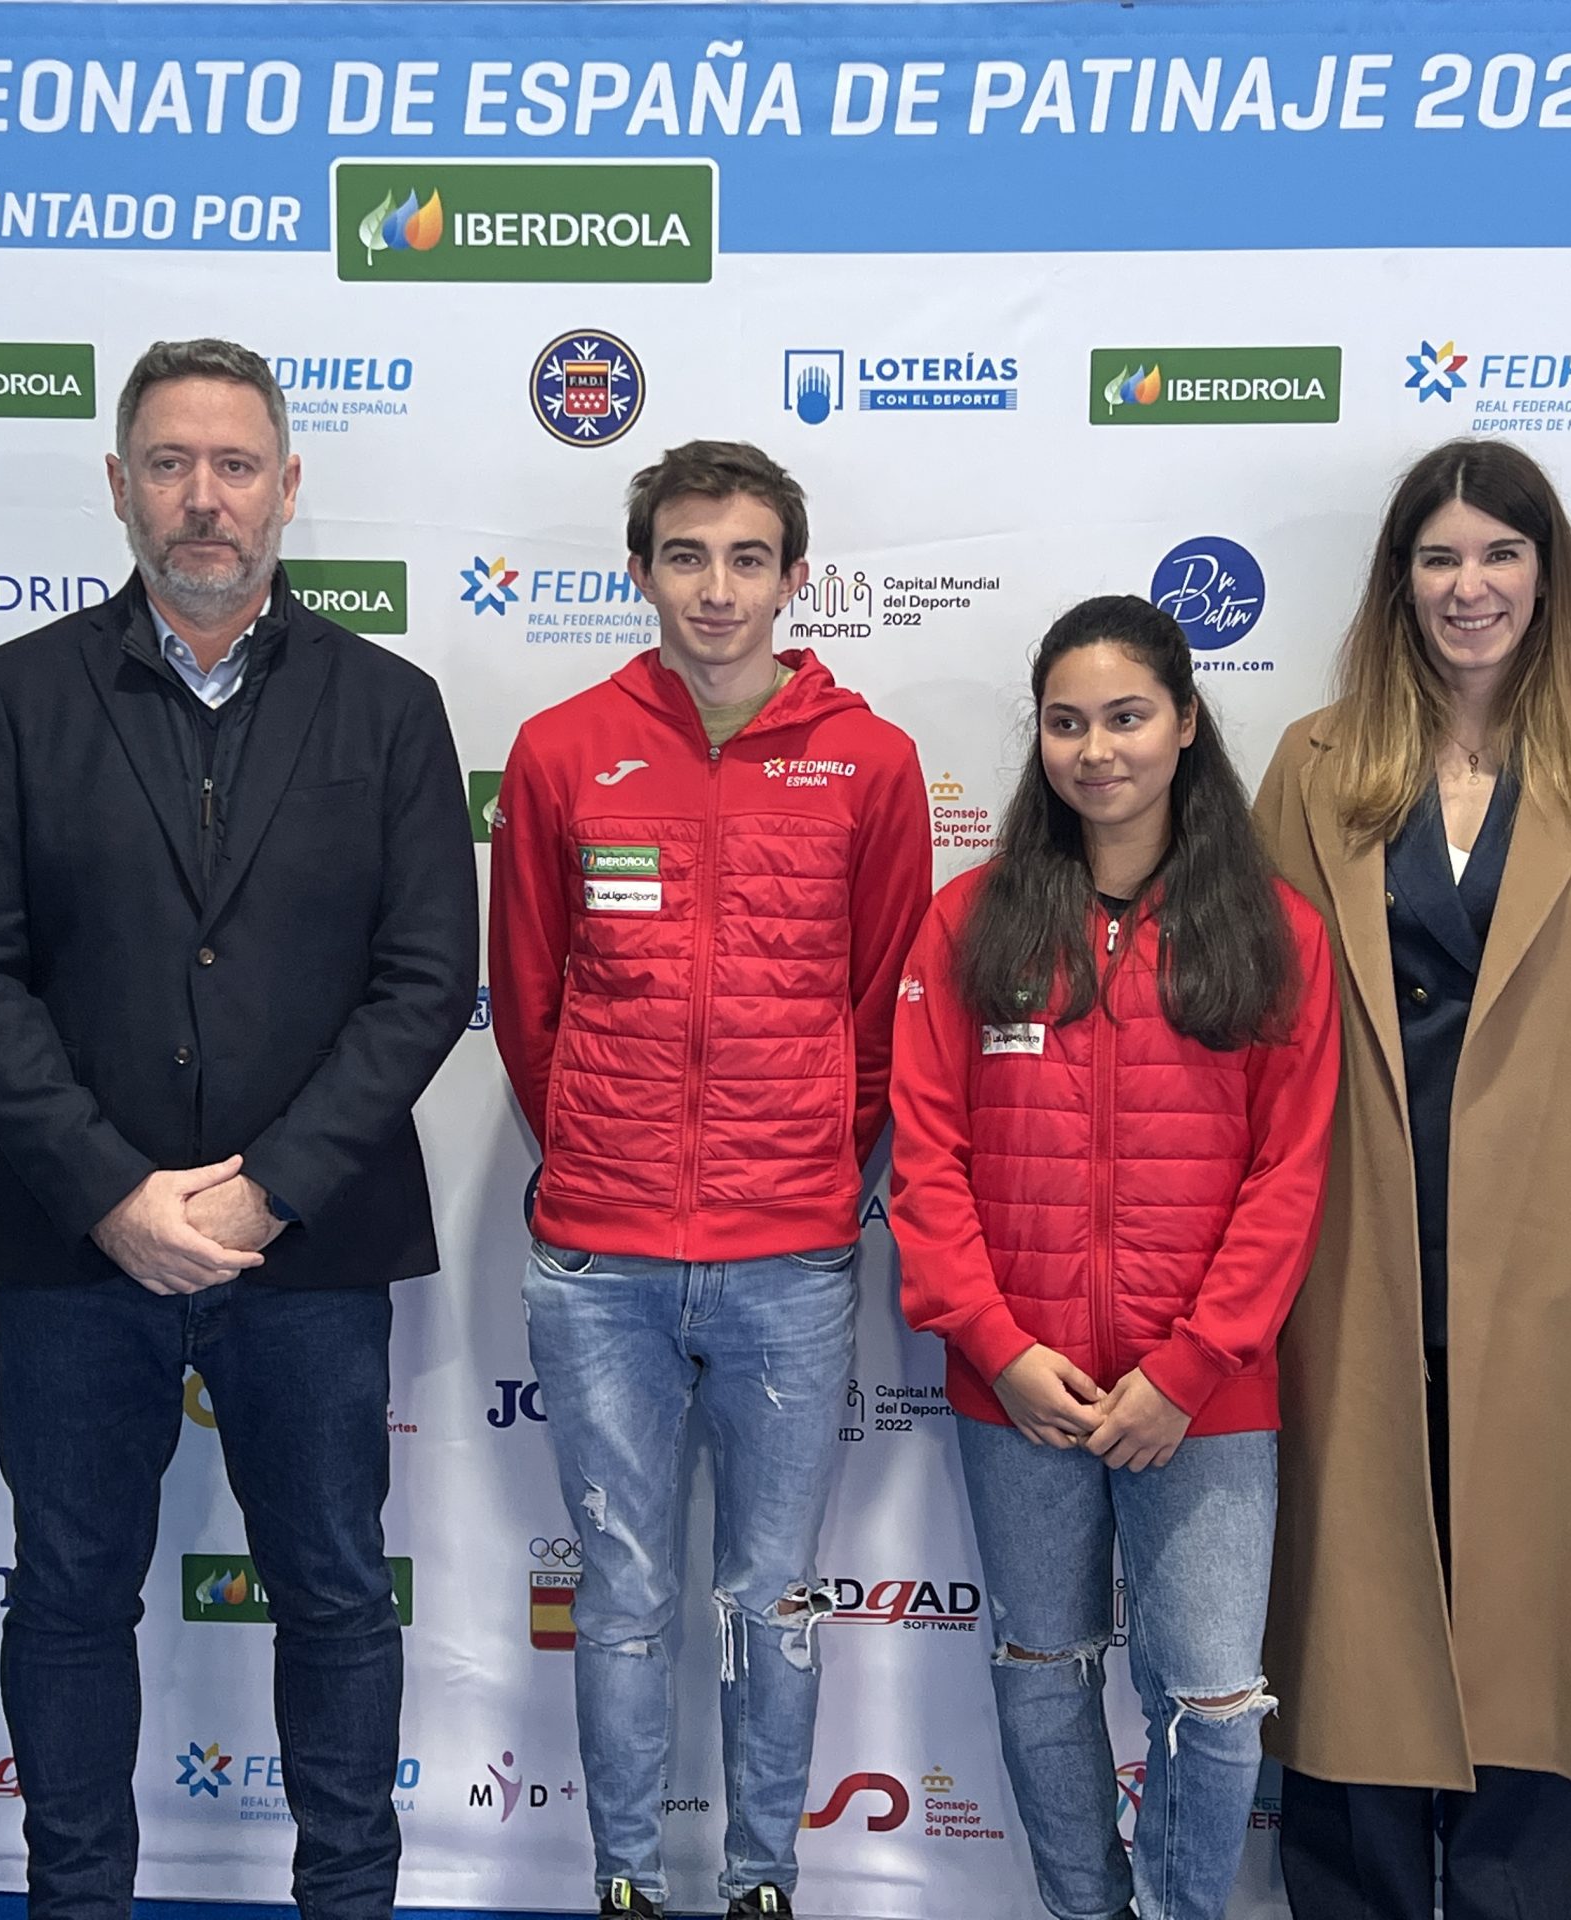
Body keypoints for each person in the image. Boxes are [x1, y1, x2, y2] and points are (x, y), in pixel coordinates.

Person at [0, 338, 477, 1920]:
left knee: (331, 1597)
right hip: (71, 1238)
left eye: (236, 464)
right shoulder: (18, 694)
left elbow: (428, 980)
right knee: (71, 1597)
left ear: (288, 487)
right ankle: (78, 1899)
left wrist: (267, 1195)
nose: (204, 496)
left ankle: (349, 1901)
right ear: (118, 486)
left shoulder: (390, 706)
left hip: (309, 1246)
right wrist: (113, 1193)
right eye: (169, 463)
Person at [1252, 438, 1571, 1919]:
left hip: (1561, 1259)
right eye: (1440, 557)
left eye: (1499, 554)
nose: (1470, 587)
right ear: (1400, 581)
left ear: (1547, 573)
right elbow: (1258, 1025)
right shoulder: (1320, 761)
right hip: (1357, 1260)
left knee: (1547, 1615)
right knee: (1357, 1619)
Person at [487, 440, 932, 1920]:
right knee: (621, 1601)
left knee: (774, 1611)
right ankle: (622, 1881)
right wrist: (605, 1155)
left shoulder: (870, 763)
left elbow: (883, 1009)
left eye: (749, 558)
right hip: (597, 1262)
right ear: (641, 571)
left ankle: (760, 1886)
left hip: (790, 1259)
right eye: (687, 555)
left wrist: (807, 1156)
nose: (718, 587)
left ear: (796, 578)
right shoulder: (561, 749)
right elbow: (529, 998)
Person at [890, 595, 1339, 1920]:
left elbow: (1290, 1177)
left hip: (1202, 1396)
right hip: (1018, 1389)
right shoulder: (972, 922)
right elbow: (924, 1160)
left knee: (1210, 1696)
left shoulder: (1274, 933)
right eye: (1068, 722)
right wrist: (1001, 1349)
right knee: (1041, 1666)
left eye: (1128, 716)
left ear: (1187, 724)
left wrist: (1193, 1367)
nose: (1098, 749)